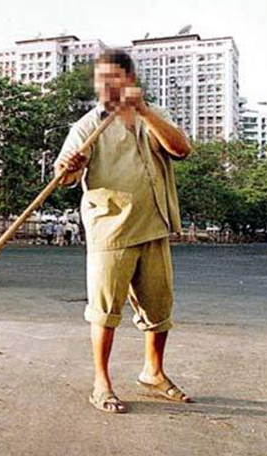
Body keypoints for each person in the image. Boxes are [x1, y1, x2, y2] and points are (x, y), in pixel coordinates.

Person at [53, 49, 193, 413]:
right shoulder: (86, 125)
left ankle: (153, 373)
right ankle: (102, 382)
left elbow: (181, 149)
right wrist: (72, 165)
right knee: (104, 310)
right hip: (110, 229)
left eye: (113, 79)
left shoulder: (152, 116)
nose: (106, 87)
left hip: (154, 224)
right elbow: (64, 176)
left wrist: (144, 111)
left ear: (129, 81)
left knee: (159, 308)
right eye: (101, 80)